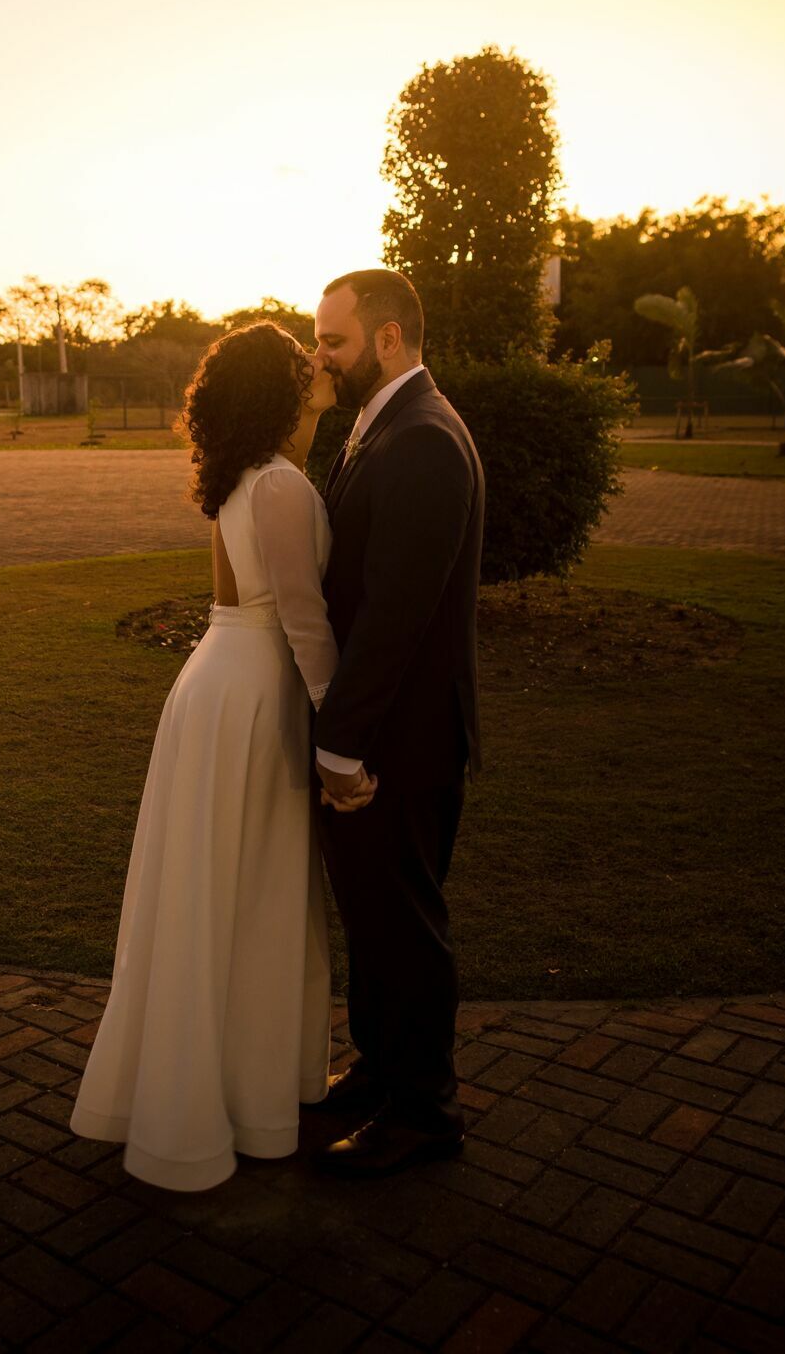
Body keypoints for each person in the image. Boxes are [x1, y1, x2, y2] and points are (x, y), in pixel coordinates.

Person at [68, 321, 374, 1191]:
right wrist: (338, 751)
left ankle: (246, 1088)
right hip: (249, 692)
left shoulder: (254, 477)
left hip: (225, 682)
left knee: (235, 888)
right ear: (274, 392)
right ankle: (235, 1101)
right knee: (249, 889)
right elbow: (305, 621)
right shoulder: (276, 483)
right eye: (298, 360)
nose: (316, 363)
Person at [309, 268, 484, 1178]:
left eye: (332, 341)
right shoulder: (383, 426)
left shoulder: (421, 439)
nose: (320, 356)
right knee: (374, 923)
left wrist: (338, 742)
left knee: (404, 928)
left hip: (399, 744)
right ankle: (381, 1072)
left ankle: (425, 1110)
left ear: (385, 339)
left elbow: (394, 614)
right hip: (387, 733)